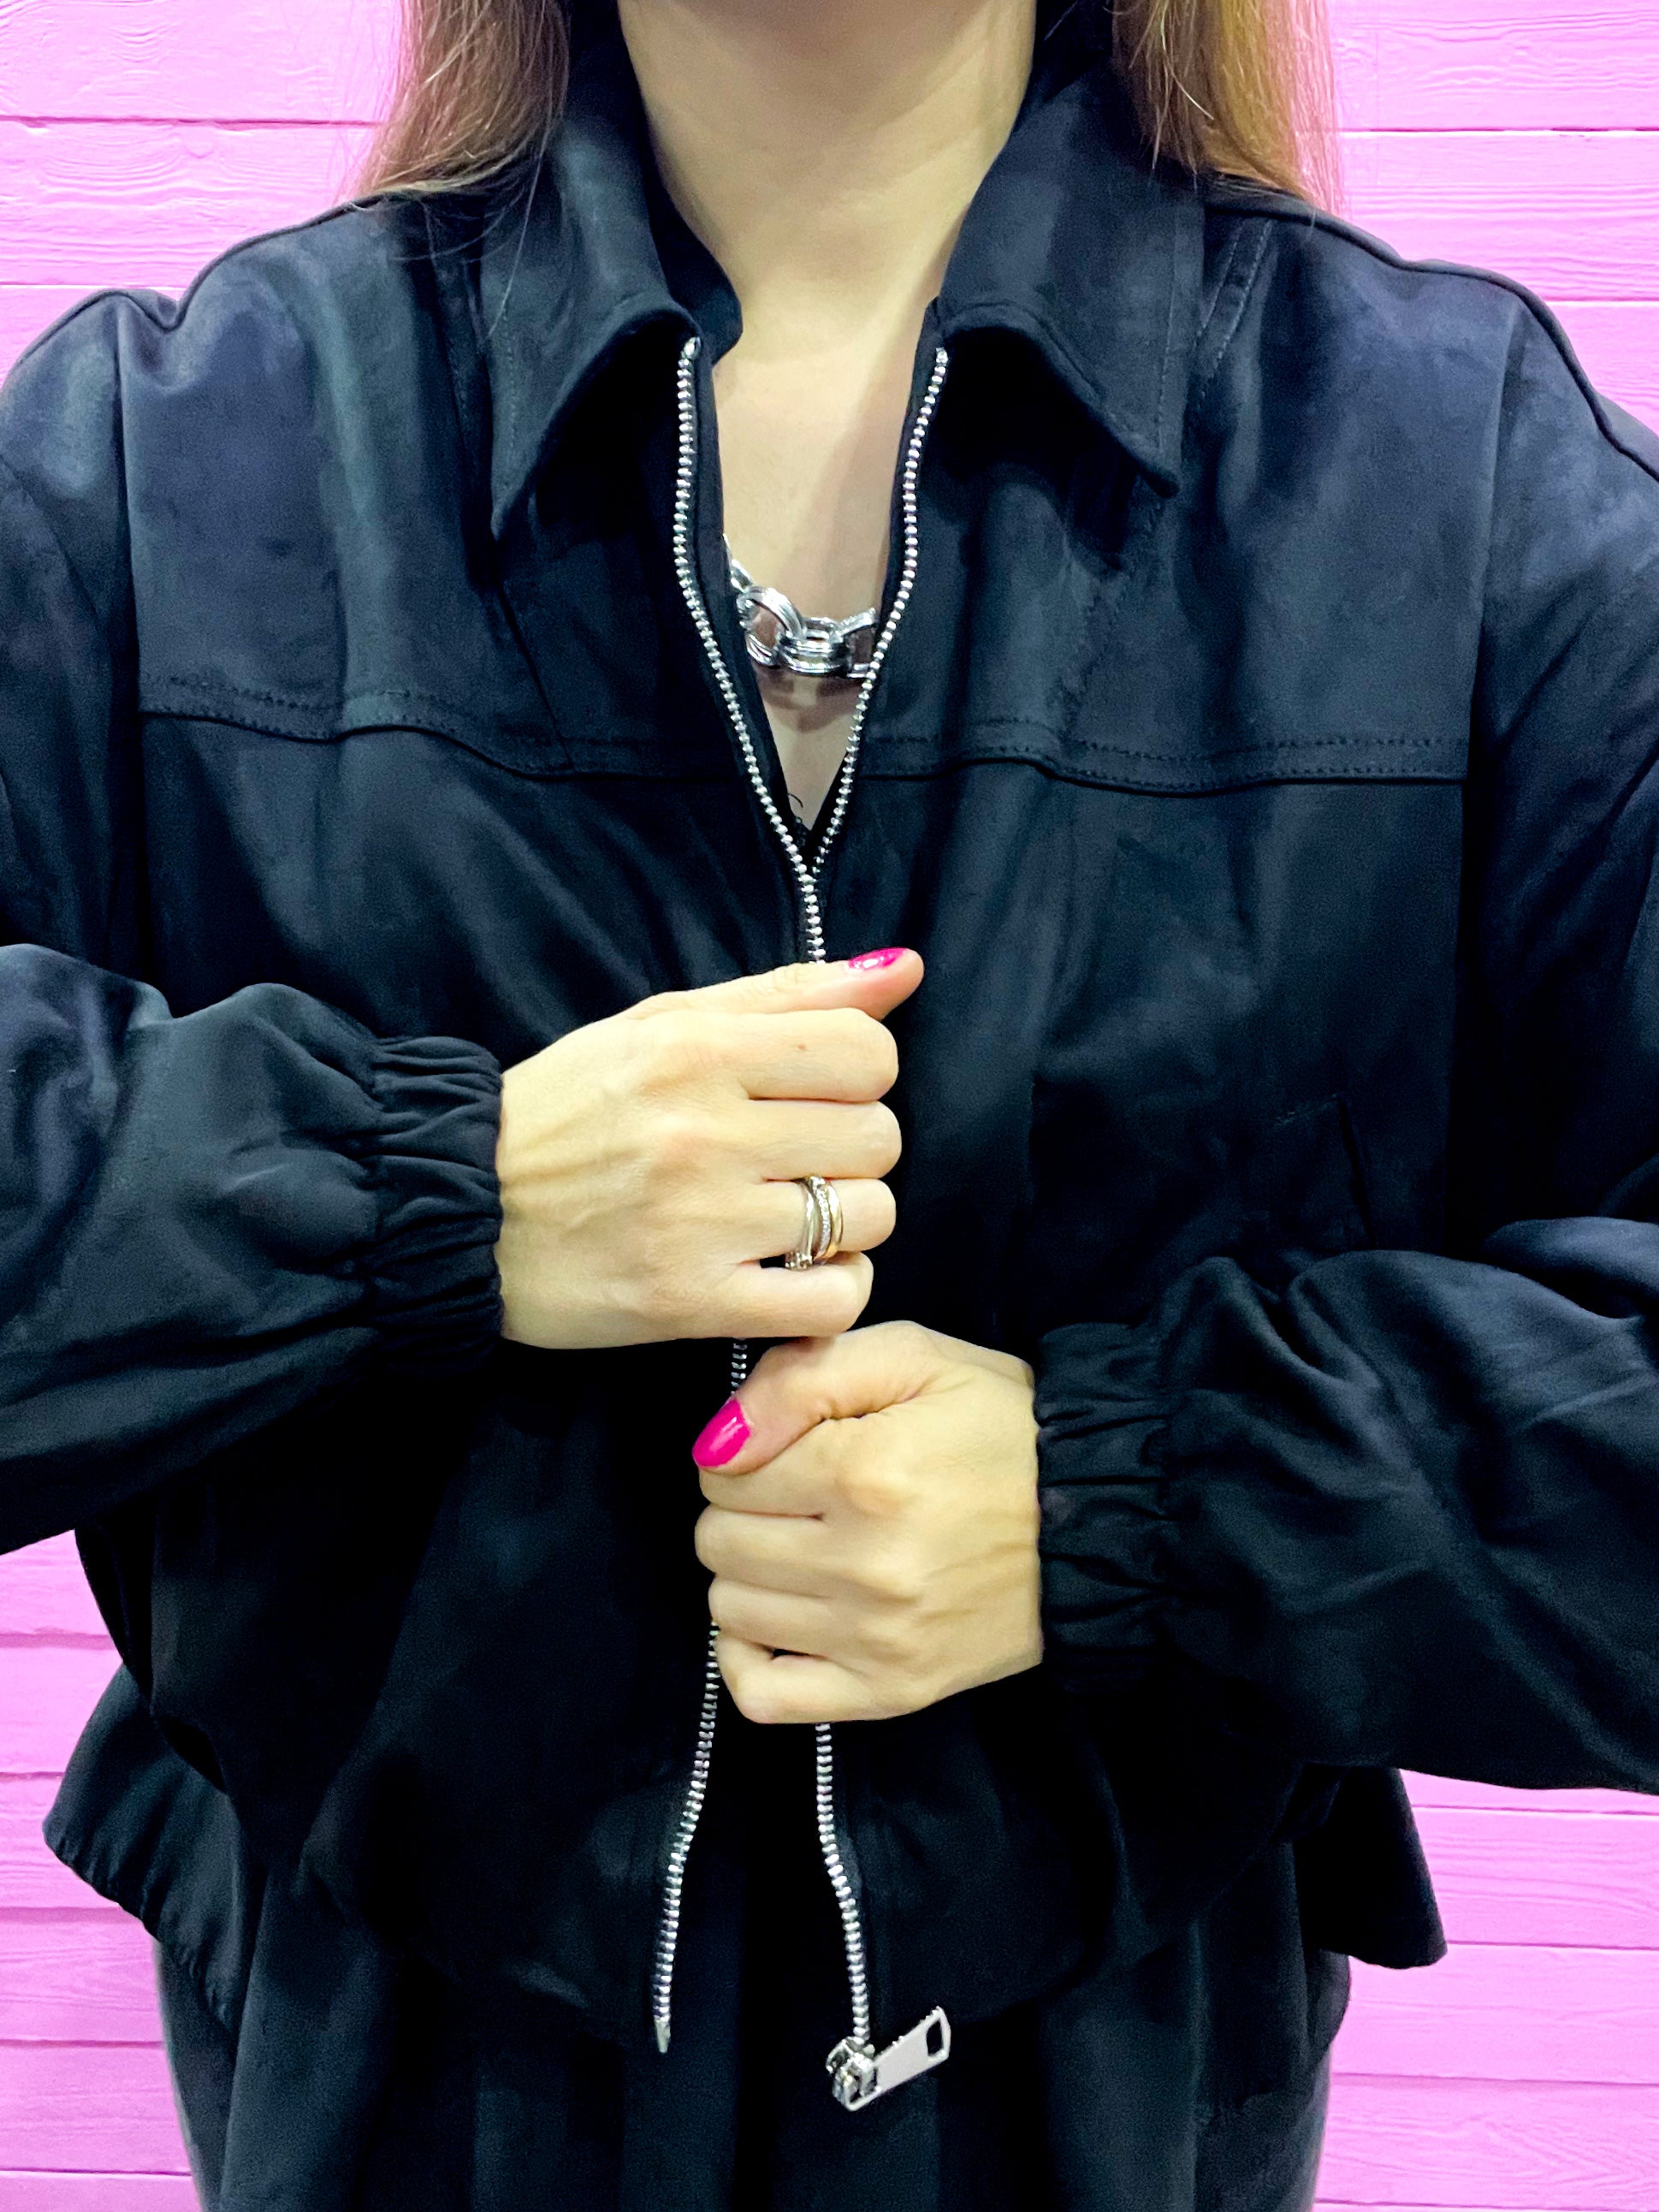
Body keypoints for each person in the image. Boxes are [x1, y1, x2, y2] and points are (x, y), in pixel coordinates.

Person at [5, 0, 1659, 2203]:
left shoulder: (1459, 487)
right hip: (384, 2108)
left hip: (1113, 2113)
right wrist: (431, 1195)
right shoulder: (167, 463)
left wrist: (1132, 1493)